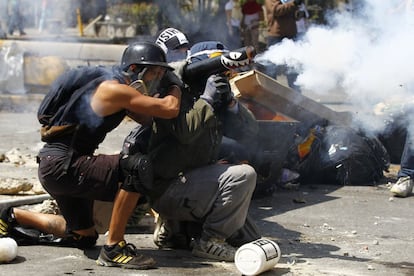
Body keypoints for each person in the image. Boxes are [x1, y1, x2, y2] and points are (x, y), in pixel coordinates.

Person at [0, 41, 182, 270]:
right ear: (135, 69)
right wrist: (175, 84)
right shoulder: (115, 89)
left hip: (56, 167)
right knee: (137, 167)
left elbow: (147, 118)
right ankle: (114, 248)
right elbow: (169, 108)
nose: (157, 78)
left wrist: (156, 91)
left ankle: (11, 216)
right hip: (65, 166)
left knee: (84, 237)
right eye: (155, 73)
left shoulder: (111, 86)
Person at [124, 40, 261, 262]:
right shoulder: (172, 94)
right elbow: (186, 132)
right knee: (243, 175)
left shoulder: (215, 93)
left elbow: (251, 132)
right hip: (167, 187)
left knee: (251, 239)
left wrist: (230, 104)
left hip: (190, 182)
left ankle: (175, 230)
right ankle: (210, 242)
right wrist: (206, 99)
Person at [263, 0, 303, 92]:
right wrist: (293, 3)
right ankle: (271, 92)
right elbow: (276, 11)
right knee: (272, 67)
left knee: (293, 65)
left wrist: (298, 12)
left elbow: (294, 15)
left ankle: (296, 93)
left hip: (291, 35)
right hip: (276, 36)